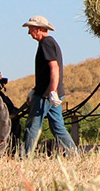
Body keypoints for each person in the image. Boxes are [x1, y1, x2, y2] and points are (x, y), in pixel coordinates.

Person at [20, 15, 78, 157]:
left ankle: (26, 155)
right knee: (57, 126)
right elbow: (46, 72)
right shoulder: (48, 43)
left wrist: (52, 91)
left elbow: (54, 68)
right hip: (49, 92)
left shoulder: (46, 43)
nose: (29, 33)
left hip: (46, 94)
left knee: (33, 124)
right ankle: (73, 153)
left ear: (38, 29)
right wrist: (34, 90)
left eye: (31, 29)